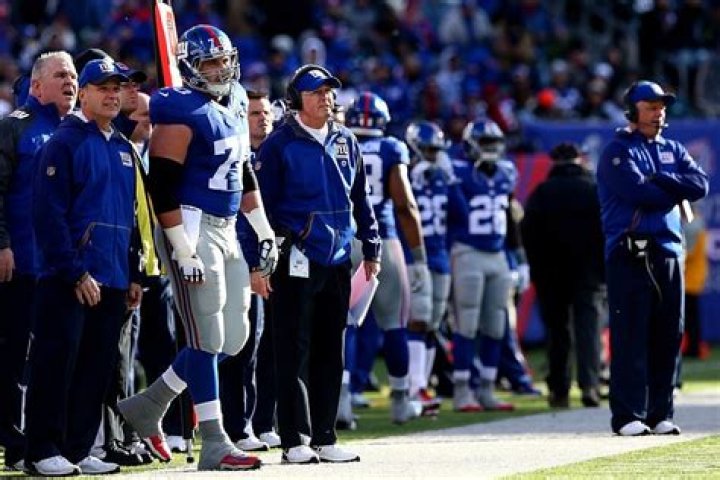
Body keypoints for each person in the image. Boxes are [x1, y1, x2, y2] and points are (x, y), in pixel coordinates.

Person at [118, 25, 276, 471]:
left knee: (234, 337)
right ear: (190, 67)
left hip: (227, 227)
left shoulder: (237, 100)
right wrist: (181, 248)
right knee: (205, 336)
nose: (220, 69)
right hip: (190, 225)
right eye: (209, 62)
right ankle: (214, 441)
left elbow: (243, 171)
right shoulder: (180, 108)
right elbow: (162, 186)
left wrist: (262, 227)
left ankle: (150, 403)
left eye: (224, 60)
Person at [255, 64, 381, 464]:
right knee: (292, 350)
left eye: (329, 91)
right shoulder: (278, 144)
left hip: (338, 255)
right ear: (296, 100)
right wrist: (261, 261)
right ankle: (294, 439)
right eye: (316, 92)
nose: (326, 98)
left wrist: (372, 245)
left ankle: (325, 436)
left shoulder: (346, 139)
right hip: (295, 256)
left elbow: (360, 197)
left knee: (331, 348)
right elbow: (262, 207)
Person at [23, 59, 139, 476]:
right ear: (84, 94)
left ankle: (77, 448)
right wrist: (74, 271)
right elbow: (48, 215)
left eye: (116, 88)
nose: (112, 95)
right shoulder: (64, 142)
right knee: (57, 364)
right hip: (68, 279)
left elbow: (130, 216)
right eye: (102, 87)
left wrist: (133, 274)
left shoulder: (122, 146)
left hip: (112, 276)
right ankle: (42, 450)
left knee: (95, 367)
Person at [596, 80, 708, 436]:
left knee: (669, 334)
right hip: (631, 251)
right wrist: (674, 187)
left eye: (661, 107)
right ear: (633, 111)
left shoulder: (672, 148)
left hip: (669, 250)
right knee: (631, 333)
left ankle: (661, 413)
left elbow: (700, 185)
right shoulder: (617, 151)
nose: (658, 113)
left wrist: (660, 178)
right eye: (650, 107)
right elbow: (639, 194)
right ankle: (628, 415)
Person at [0, 50, 77, 472]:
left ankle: (52, 441)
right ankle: (15, 445)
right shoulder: (15, 128)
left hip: (63, 267)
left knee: (55, 356)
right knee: (15, 358)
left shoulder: (77, 131)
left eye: (73, 75)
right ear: (35, 85)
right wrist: (2, 243)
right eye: (60, 75)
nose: (70, 82)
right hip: (22, 264)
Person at [337, 91, 430, 427]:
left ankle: (341, 402)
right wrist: (419, 258)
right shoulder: (391, 148)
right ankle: (401, 402)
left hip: (344, 241)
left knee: (344, 325)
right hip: (383, 241)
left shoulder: (337, 142)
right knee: (394, 324)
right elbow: (404, 204)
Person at [521, 142, 606, 408]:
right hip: (588, 273)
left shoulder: (542, 192)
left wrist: (537, 270)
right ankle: (590, 385)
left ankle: (559, 390)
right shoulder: (592, 190)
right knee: (588, 329)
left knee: (557, 331)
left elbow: (528, 234)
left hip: (551, 274)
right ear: (579, 160)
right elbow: (606, 231)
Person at [219, 89, 276, 451]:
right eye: (254, 112)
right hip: (238, 257)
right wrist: (255, 263)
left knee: (268, 346)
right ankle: (237, 426)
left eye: (265, 112)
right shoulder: (235, 153)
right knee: (240, 345)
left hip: (274, 258)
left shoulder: (278, 152)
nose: (261, 118)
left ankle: (263, 421)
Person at [449, 118, 518, 412]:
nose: (490, 148)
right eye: (484, 143)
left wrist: (518, 259)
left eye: (494, 143)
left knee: (496, 325)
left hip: (498, 254)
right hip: (467, 251)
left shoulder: (507, 171)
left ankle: (487, 389)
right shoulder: (458, 171)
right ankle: (462, 390)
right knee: (466, 323)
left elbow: (510, 217)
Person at [404, 120, 467, 414]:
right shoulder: (405, 174)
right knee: (418, 319)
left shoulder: (443, 178)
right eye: (428, 150)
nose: (433, 155)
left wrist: (451, 179)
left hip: (439, 256)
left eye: (436, 150)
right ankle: (413, 386)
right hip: (415, 256)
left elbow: (461, 216)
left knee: (431, 323)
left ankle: (422, 384)